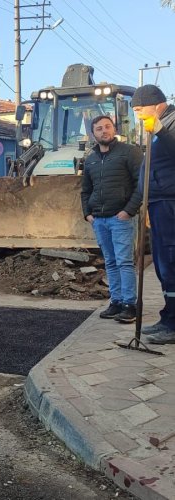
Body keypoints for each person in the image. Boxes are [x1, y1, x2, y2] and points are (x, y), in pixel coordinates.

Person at [81, 115, 143, 323]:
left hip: (120, 218)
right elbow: (85, 190)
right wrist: (87, 213)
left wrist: (129, 211)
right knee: (110, 262)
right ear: (93, 133)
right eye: (99, 128)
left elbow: (141, 184)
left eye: (107, 127)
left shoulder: (129, 152)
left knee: (124, 262)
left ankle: (130, 305)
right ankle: (115, 302)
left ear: (114, 129)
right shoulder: (90, 159)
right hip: (99, 220)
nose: (104, 131)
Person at [131, 84, 175, 343]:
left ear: (157, 104)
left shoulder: (169, 125)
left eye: (139, 109)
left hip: (170, 203)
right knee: (162, 266)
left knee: (170, 263)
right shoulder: (159, 127)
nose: (137, 114)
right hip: (159, 205)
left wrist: (161, 131)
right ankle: (168, 318)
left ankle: (173, 325)